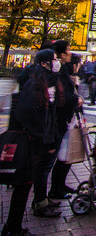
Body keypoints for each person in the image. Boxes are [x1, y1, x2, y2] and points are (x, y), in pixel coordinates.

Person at [13, 49, 62, 219]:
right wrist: (41, 136)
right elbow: (28, 113)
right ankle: (19, 221)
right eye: (54, 59)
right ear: (44, 63)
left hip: (42, 137)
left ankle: (41, 201)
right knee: (33, 175)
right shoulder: (34, 83)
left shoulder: (49, 80)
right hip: (34, 139)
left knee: (39, 172)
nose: (57, 62)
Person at [49, 43, 84, 201]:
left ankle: (59, 185)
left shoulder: (64, 74)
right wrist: (76, 99)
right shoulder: (61, 74)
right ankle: (54, 190)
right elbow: (63, 97)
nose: (69, 52)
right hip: (62, 120)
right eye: (68, 50)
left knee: (65, 156)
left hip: (65, 119)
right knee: (61, 156)